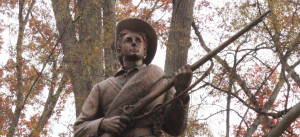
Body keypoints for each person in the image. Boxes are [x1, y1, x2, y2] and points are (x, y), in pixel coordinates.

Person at [74, 18, 192, 137]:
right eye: (128, 40)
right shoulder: (102, 88)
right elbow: (79, 129)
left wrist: (182, 93)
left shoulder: (162, 82)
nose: (134, 43)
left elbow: (175, 129)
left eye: (138, 40)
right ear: (119, 49)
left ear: (145, 50)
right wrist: (102, 124)